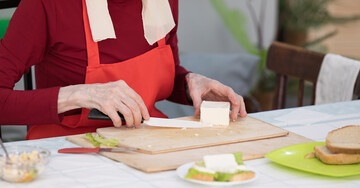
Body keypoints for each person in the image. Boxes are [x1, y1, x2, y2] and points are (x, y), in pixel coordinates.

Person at [0, 0, 247, 140]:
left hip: (146, 142)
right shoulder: (48, 5)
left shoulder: (162, 3)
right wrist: (75, 95)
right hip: (68, 148)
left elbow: (165, 77)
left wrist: (190, 82)